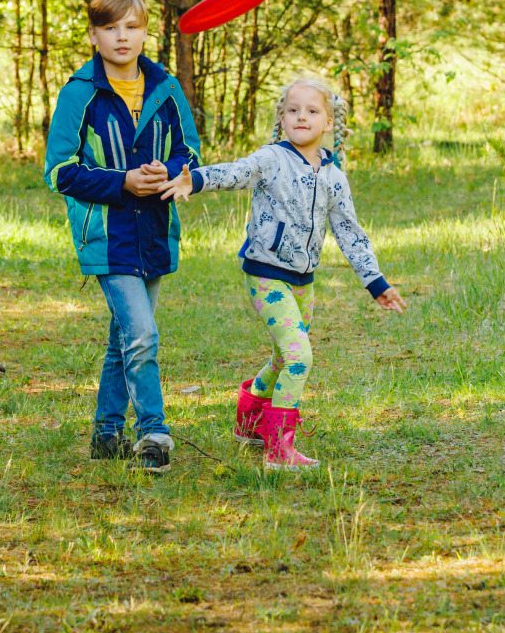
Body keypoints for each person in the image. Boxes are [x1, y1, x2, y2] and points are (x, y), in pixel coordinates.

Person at [161, 76, 406, 471]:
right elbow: (236, 172)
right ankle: (279, 448)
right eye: (293, 110)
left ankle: (249, 419)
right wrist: (197, 177)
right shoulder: (271, 159)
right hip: (266, 276)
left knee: (282, 355)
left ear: (329, 122)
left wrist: (375, 282)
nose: (301, 117)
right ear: (282, 118)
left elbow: (349, 233)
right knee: (298, 356)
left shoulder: (333, 176)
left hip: (303, 283)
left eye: (312, 111)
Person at [45, 0, 200, 474]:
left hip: (154, 229)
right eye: (110, 28)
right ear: (93, 35)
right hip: (106, 235)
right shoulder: (79, 94)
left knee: (124, 337)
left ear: (145, 31)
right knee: (142, 333)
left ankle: (106, 431)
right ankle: (153, 431)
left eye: (131, 26)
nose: (121, 37)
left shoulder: (167, 88)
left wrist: (171, 173)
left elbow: (190, 151)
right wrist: (123, 182)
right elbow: (59, 170)